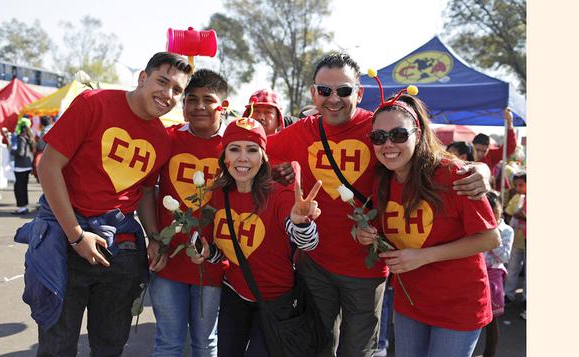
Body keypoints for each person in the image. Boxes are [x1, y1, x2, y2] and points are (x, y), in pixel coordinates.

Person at [266, 53, 493, 356]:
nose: (334, 99)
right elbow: (251, 153)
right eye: (325, 90)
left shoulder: (380, 125)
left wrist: (483, 171)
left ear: (359, 93)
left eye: (344, 91)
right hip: (316, 264)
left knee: (358, 351)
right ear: (313, 93)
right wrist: (278, 173)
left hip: (366, 270)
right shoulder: (301, 132)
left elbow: (429, 152)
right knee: (318, 346)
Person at [16, 52, 193, 356]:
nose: (168, 94)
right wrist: (76, 235)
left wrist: (153, 236)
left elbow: (145, 193)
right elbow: (49, 166)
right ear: (142, 77)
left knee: (110, 346)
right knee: (57, 347)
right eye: (162, 81)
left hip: (120, 250)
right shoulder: (93, 103)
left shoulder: (162, 140)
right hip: (64, 241)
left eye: (177, 90)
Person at [360, 89, 500, 357]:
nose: (388, 144)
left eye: (399, 135)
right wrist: (368, 235)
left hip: (458, 305)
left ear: (419, 135)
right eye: (378, 136)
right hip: (410, 301)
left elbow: (490, 238)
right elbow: (393, 234)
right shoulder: (381, 181)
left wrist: (424, 256)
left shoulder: (453, 174)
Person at [192, 117, 323, 356]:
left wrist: (300, 223)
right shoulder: (218, 194)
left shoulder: (279, 195)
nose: (243, 158)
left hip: (277, 302)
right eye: (234, 149)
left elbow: (309, 243)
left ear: (263, 156)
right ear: (225, 157)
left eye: (252, 150)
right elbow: (224, 254)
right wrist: (208, 253)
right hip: (235, 295)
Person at [149, 69, 228, 357]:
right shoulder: (166, 138)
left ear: (224, 105)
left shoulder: (235, 145)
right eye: (191, 99)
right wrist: (153, 237)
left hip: (213, 262)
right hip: (168, 259)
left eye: (208, 100)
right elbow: (146, 190)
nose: (199, 107)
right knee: (167, 342)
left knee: (205, 343)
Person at [480, 190, 513, 357]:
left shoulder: (506, 231)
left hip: (493, 276)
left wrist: (493, 238)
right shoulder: (477, 225)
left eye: (494, 211)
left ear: (501, 209)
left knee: (492, 320)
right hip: (476, 273)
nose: (491, 215)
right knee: (471, 316)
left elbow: (505, 257)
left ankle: (489, 353)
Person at [503, 171, 527, 319]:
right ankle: (508, 294)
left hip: (525, 239)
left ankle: (526, 299)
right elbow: (509, 213)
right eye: (516, 185)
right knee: (512, 268)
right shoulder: (517, 198)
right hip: (517, 240)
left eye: (521, 185)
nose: (518, 188)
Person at [11, 121, 35, 214]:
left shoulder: (21, 138)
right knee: (23, 187)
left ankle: (22, 208)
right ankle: (24, 207)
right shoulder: (30, 138)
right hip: (27, 165)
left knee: (19, 187)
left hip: (20, 166)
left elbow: (20, 152)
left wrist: (12, 151)